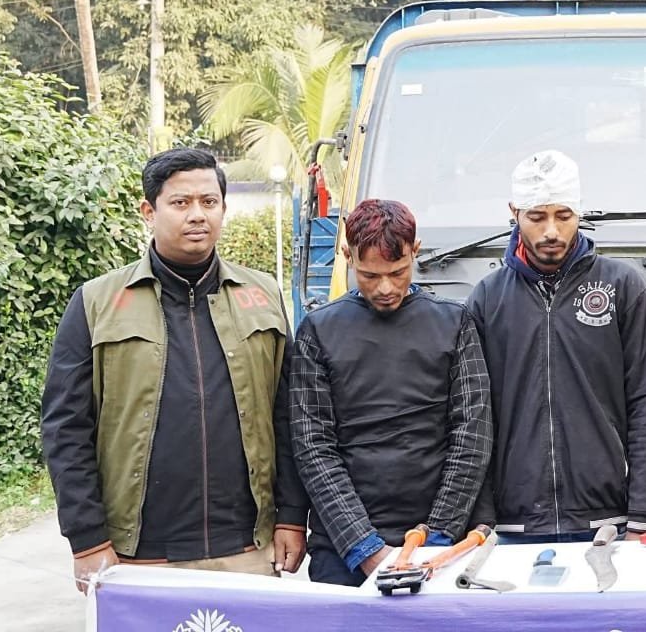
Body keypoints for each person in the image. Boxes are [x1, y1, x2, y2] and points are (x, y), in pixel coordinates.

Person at [41, 149, 307, 592]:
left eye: (209, 201)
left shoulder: (262, 296)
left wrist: (292, 517)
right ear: (149, 211)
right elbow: (66, 428)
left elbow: (289, 415)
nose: (197, 215)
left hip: (246, 550)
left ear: (223, 208)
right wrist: (88, 540)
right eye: (181, 203)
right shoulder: (96, 302)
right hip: (138, 555)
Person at [290, 199, 493, 585]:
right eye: (369, 275)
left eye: (398, 272)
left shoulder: (455, 322)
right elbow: (313, 446)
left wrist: (435, 539)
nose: (385, 288)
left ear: (415, 251)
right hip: (344, 549)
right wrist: (364, 549)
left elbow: (473, 434)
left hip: (443, 545)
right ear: (347, 256)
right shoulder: (318, 330)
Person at [469, 149, 646, 541]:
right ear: (514, 213)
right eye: (536, 217)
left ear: (579, 212)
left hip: (608, 522)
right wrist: (481, 518)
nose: (552, 232)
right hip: (512, 525)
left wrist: (644, 515)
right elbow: (475, 416)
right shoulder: (487, 298)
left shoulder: (623, 287)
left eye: (564, 216)